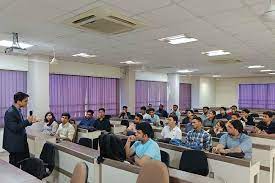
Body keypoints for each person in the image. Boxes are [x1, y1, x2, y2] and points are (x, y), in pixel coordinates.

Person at [3, 92, 37, 167]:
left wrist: (30, 122)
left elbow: (20, 124)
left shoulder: (17, 110)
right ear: (18, 101)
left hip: (21, 142)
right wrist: (27, 121)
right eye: (25, 101)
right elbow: (14, 128)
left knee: (25, 161)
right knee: (15, 165)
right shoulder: (10, 112)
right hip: (15, 144)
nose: (27, 103)